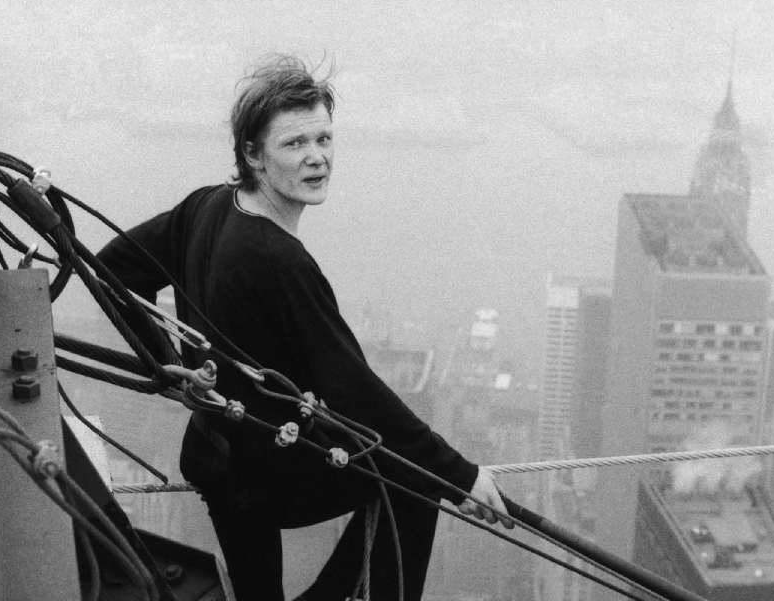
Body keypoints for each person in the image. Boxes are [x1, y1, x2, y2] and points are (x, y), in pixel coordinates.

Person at [97, 54, 509, 601]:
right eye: (295, 144)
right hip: (266, 471)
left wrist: (169, 363)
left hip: (214, 455)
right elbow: (353, 390)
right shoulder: (278, 259)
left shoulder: (212, 206)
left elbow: (111, 266)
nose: (317, 158)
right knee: (413, 482)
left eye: (324, 139)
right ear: (253, 154)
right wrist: (461, 476)